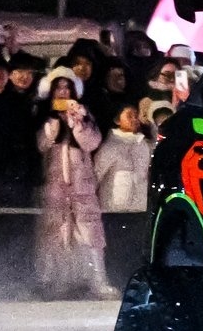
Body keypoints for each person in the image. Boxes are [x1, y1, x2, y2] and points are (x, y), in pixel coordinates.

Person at [35, 68, 114, 300]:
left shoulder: (84, 114)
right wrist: (53, 122)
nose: (62, 92)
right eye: (58, 87)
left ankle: (98, 281)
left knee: (90, 234)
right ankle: (55, 282)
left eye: (66, 87)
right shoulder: (43, 115)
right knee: (55, 234)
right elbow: (42, 145)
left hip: (82, 185)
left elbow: (92, 143)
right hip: (54, 186)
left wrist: (78, 122)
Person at [95, 103, 154, 287]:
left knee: (135, 248)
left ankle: (133, 282)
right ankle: (114, 282)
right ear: (117, 119)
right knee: (115, 247)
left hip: (139, 207)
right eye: (129, 115)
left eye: (136, 115)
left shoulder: (144, 143)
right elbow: (96, 175)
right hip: (114, 209)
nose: (134, 119)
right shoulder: (110, 146)